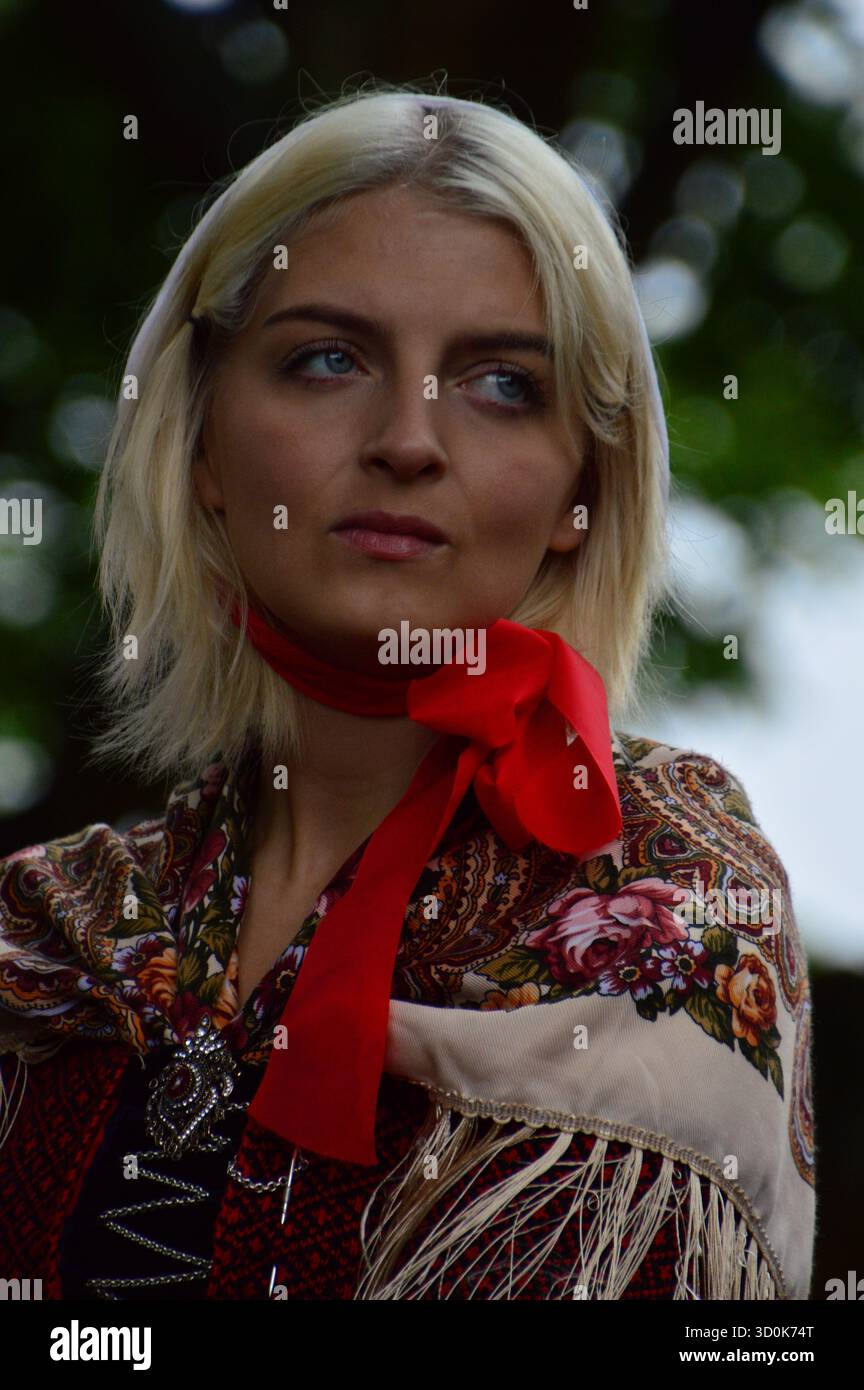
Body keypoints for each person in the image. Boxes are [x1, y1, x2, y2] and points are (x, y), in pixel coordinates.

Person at [0, 85, 815, 1300]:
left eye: (500, 385)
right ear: (204, 445)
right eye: (327, 359)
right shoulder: (51, 924)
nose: (409, 439)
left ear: (580, 493)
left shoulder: (672, 890)